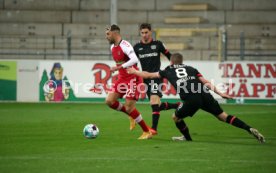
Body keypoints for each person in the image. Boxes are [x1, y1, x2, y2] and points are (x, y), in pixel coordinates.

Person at [127, 53, 265, 143]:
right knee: (223, 116)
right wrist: (220, 93)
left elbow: (149, 75)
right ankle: (249, 128)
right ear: (182, 61)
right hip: (204, 93)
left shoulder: (168, 70)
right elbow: (205, 81)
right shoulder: (191, 68)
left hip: (191, 98)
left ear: (171, 62)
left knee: (175, 117)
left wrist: (135, 71)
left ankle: (187, 139)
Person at [105, 24, 152, 139]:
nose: (106, 36)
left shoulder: (125, 45)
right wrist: (118, 68)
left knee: (129, 107)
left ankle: (147, 132)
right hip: (122, 78)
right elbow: (120, 64)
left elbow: (135, 59)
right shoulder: (112, 47)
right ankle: (131, 116)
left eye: (108, 34)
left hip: (133, 78)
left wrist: (118, 68)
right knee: (109, 101)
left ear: (115, 33)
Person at [133, 23, 179, 134]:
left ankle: (153, 129)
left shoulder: (158, 44)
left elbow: (170, 56)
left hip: (156, 77)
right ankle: (176, 105)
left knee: (154, 102)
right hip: (145, 78)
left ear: (151, 32)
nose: (144, 35)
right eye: (142, 33)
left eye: (146, 32)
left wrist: (174, 68)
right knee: (156, 105)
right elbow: (132, 62)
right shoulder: (136, 47)